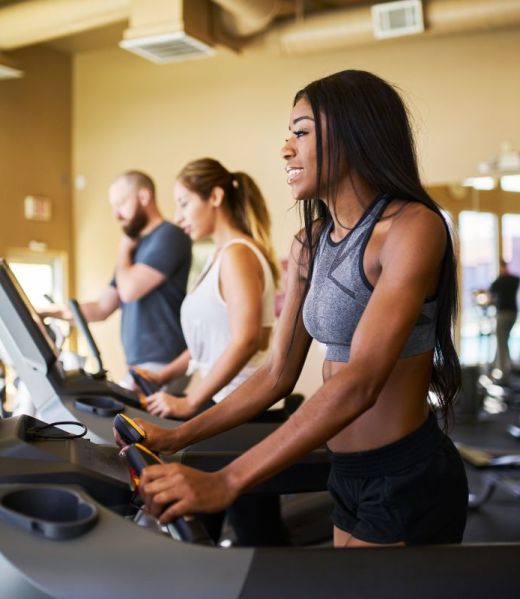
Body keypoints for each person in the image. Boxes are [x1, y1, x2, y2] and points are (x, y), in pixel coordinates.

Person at [119, 70, 469, 548]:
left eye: (301, 132)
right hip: (346, 471)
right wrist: (176, 436)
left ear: (353, 135)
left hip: (405, 473)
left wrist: (227, 481)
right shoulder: (310, 242)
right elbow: (276, 374)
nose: (286, 148)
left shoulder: (412, 228)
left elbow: (360, 381)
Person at [138, 158, 280, 420]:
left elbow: (245, 340)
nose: (178, 217)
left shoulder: (237, 254)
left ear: (214, 197)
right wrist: (163, 375)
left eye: (184, 203)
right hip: (225, 400)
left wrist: (191, 402)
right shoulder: (219, 256)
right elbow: (213, 338)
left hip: (240, 405)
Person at [42, 171, 192, 392]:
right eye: (113, 206)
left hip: (165, 363)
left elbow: (129, 291)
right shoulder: (134, 250)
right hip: (139, 364)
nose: (117, 214)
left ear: (143, 197)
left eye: (121, 203)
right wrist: (47, 312)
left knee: (121, 421)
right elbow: (101, 308)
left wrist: (124, 247)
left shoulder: (169, 235)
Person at [489, 259, 519, 383]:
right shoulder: (514, 280)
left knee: (501, 342)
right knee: (505, 340)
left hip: (502, 314)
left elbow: (490, 296)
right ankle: (508, 365)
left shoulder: (498, 282)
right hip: (513, 313)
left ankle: (503, 371)